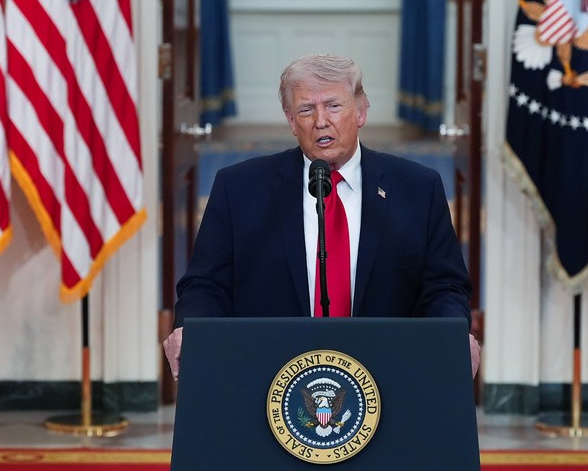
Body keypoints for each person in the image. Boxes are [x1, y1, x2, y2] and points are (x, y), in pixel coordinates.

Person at [163, 54, 481, 380]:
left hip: (388, 375)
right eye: (306, 110)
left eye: (333, 106)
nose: (320, 121)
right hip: (269, 376)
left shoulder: (417, 189)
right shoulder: (240, 189)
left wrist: (452, 332)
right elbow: (206, 285)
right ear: (290, 121)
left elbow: (445, 287)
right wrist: (189, 329)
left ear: (361, 111)